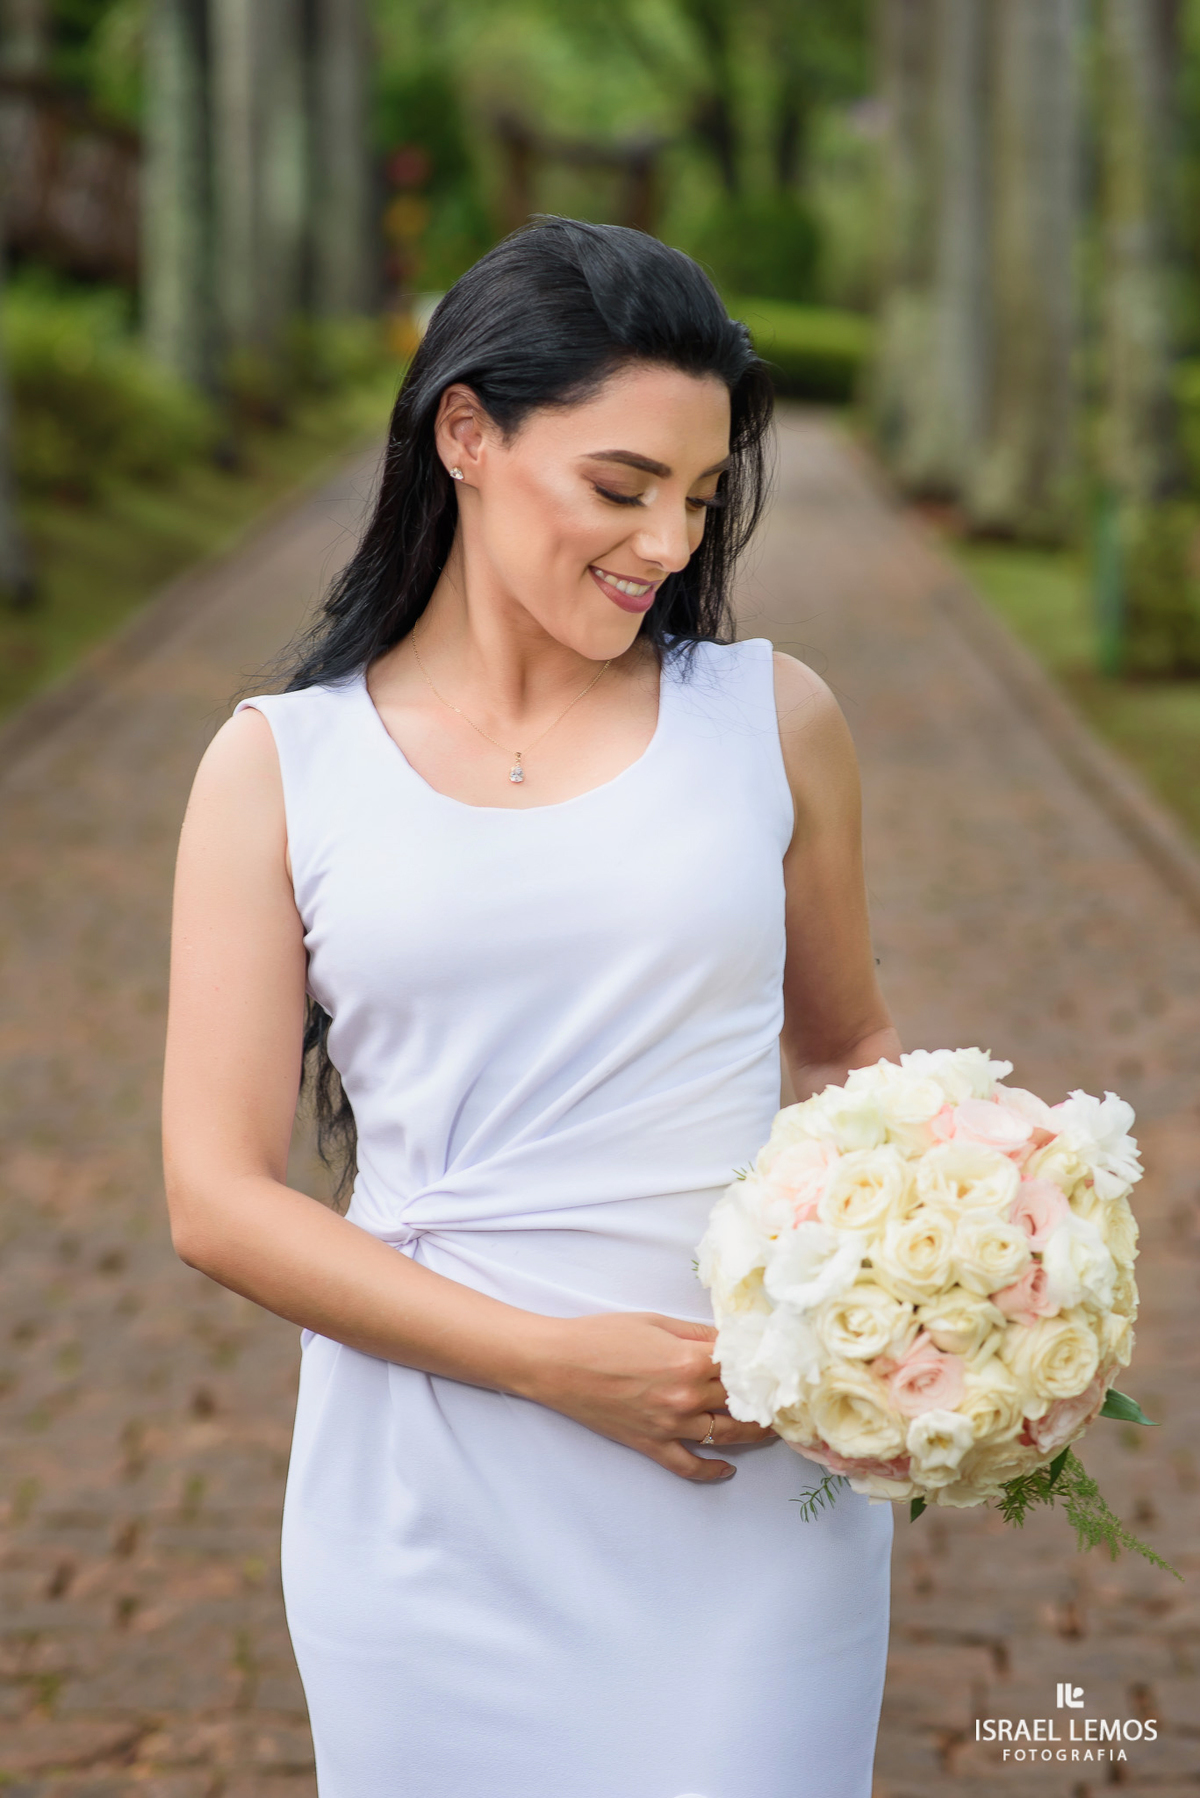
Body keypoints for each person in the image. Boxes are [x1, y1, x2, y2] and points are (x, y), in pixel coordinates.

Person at [162, 217, 901, 1798]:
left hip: (740, 1471)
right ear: (468, 432)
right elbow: (215, 1198)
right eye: (622, 487)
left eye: (701, 500)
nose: (666, 545)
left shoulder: (774, 721)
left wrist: (941, 1267)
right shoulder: (277, 770)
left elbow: (848, 1049)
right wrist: (550, 1362)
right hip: (425, 1496)